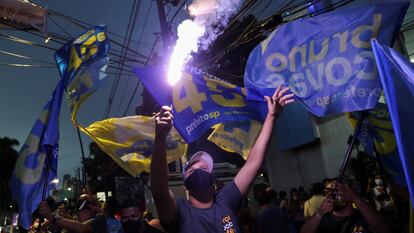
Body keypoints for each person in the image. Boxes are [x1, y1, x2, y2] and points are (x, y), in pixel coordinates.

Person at [151, 87, 295, 233]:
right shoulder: (180, 212)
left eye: (204, 168)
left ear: (213, 180)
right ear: (185, 183)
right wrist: (160, 137)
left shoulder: (225, 200)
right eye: (192, 169)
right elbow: (159, 190)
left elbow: (253, 163)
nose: (199, 170)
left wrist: (271, 117)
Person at [300, 181, 391, 233]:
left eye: (336, 190)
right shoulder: (324, 220)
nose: (331, 194)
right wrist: (319, 213)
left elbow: (385, 230)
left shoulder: (363, 215)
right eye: (328, 191)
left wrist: (356, 198)